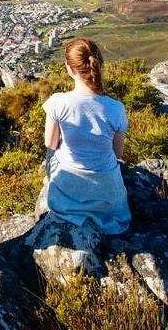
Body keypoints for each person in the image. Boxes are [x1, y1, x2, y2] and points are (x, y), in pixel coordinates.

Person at [42, 37, 131, 234]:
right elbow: (118, 153)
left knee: (51, 155)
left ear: (69, 68)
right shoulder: (116, 108)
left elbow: (50, 143)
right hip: (109, 197)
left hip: (67, 195)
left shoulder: (58, 103)